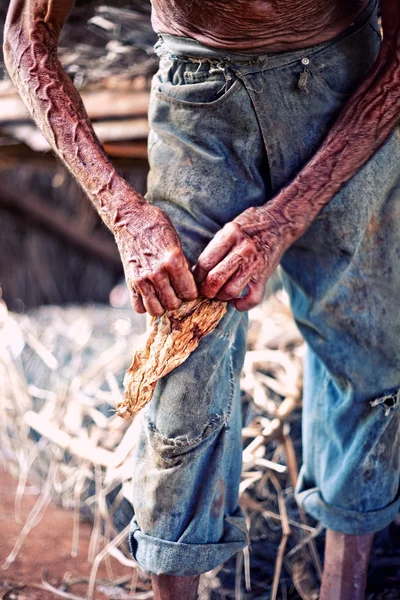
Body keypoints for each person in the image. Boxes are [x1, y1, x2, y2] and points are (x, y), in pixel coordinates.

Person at [4, 0, 400, 598]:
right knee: (182, 366)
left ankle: (344, 586)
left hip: (351, 86)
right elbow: (23, 30)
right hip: (202, 100)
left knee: (365, 347)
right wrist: (125, 213)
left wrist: (289, 215)